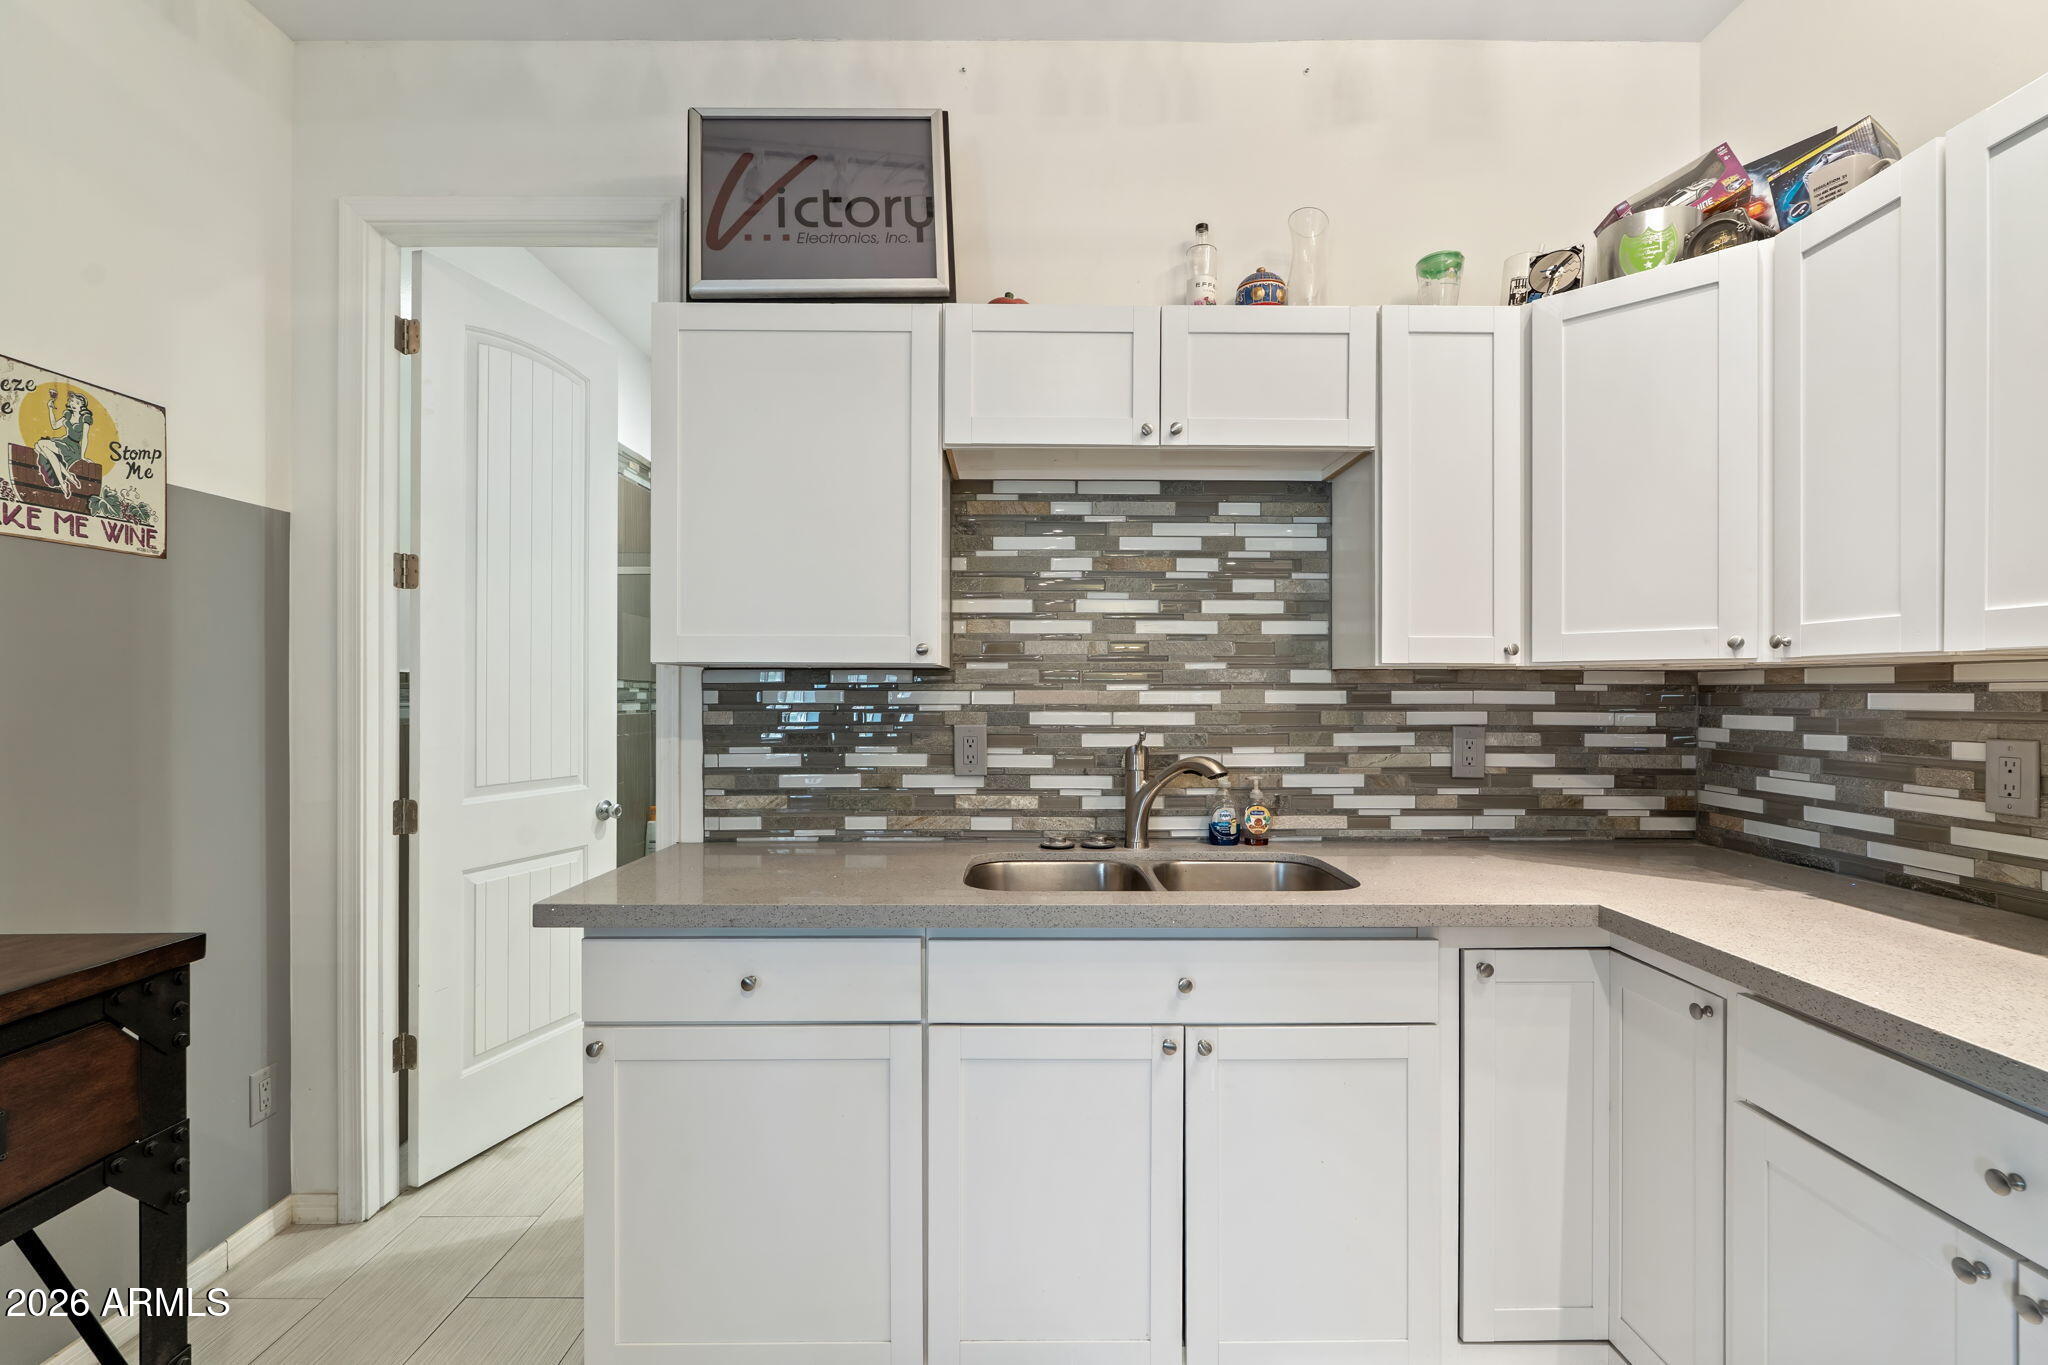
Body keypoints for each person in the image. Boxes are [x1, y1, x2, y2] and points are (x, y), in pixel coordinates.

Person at [35, 388, 92, 496]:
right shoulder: (68, 415)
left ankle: (63, 482)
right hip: (64, 441)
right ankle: (68, 477)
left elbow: (85, 438)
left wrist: (82, 456)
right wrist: (50, 409)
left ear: (82, 406)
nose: (73, 404)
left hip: (74, 447)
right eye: (72, 401)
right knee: (38, 446)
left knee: (41, 444)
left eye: (77, 402)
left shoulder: (85, 419)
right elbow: (54, 426)